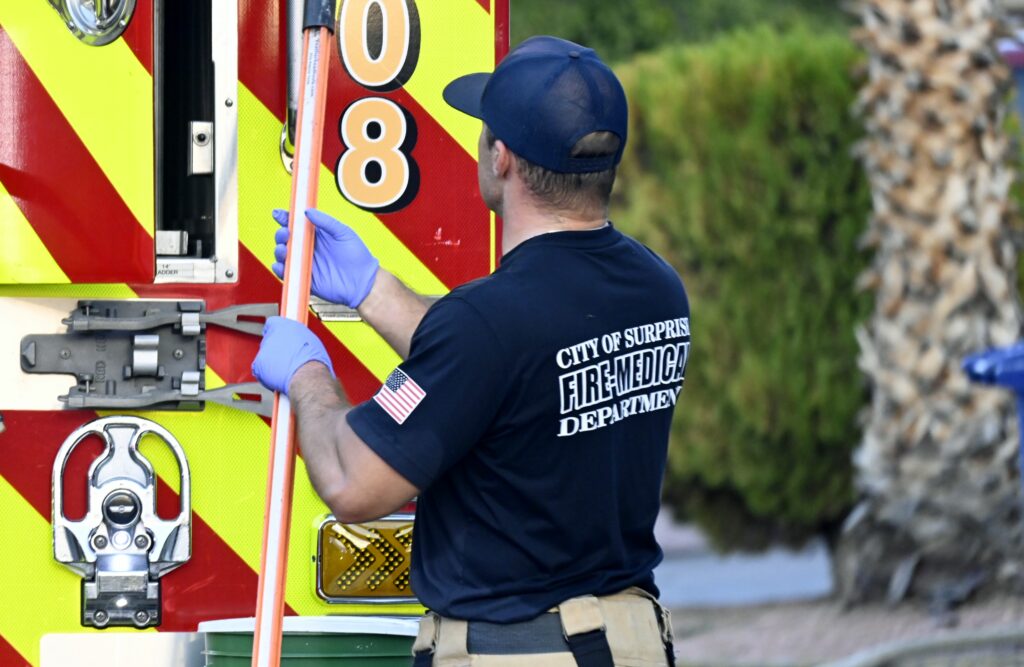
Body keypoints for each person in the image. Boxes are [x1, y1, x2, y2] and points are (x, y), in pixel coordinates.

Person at [252, 35, 690, 667]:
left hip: (521, 654)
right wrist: (372, 290)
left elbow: (352, 483)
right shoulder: (656, 287)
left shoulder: (488, 322)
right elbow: (508, 368)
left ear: (501, 157)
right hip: (628, 645)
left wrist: (307, 373)